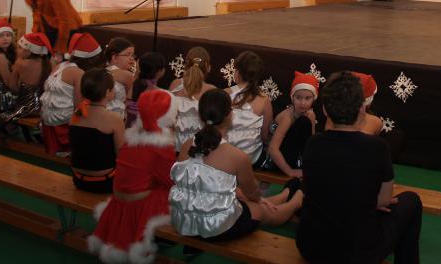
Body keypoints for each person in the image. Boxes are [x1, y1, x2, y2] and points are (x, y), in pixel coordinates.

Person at [297, 71, 422, 264]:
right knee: (412, 201)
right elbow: (384, 199)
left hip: (310, 246)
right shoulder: (377, 147)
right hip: (357, 252)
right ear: (362, 109)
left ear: (325, 110)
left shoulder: (313, 143)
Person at [169, 89, 303, 243]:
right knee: (263, 210)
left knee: (244, 200)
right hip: (215, 227)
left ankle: (285, 194)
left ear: (200, 115)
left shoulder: (186, 145)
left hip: (183, 219)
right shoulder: (236, 155)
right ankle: (297, 199)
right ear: (230, 115)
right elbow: (253, 193)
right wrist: (258, 200)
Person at [88, 89, 178, 263]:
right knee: (176, 193)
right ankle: (158, 237)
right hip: (140, 204)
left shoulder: (131, 139)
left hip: (119, 199)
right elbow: (170, 179)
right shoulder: (160, 146)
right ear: (167, 117)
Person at [40, 33, 101, 156]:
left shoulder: (60, 66)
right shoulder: (78, 73)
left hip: (46, 120)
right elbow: (79, 106)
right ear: (90, 59)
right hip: (61, 125)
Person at [70, 68, 125, 193]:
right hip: (104, 182)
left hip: (78, 179)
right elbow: (121, 155)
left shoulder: (77, 113)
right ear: (107, 93)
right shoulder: (114, 118)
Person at [225, 51, 273, 166]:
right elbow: (265, 135)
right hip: (250, 157)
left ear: (237, 72)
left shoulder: (225, 94)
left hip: (225, 154)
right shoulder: (264, 100)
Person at [267, 72, 318, 179]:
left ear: (314, 98)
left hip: (296, 153)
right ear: (292, 97)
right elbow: (273, 149)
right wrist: (290, 171)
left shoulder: (311, 115)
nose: (302, 103)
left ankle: (302, 164)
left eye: (307, 98)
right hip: (276, 158)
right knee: (303, 122)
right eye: (298, 98)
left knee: (305, 122)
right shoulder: (287, 118)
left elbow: (311, 143)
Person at [169, 47, 215, 151]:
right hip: (198, 148)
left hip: (174, 144)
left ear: (185, 66)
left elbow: (168, 117)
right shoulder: (211, 90)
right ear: (208, 67)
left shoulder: (175, 84)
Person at [0, 32, 53, 123]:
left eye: (20, 48)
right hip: (44, 107)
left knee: (2, 110)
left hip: (25, 108)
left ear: (30, 51)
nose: (17, 50)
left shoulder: (20, 63)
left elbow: (13, 87)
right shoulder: (48, 63)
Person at [125, 52, 166, 128]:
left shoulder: (134, 85)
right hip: (147, 133)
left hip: (129, 130)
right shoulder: (159, 93)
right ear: (160, 71)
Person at [104, 38, 136, 120]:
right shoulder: (126, 75)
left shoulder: (103, 71)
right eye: (127, 55)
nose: (132, 58)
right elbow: (134, 98)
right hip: (116, 118)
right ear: (114, 57)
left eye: (132, 55)